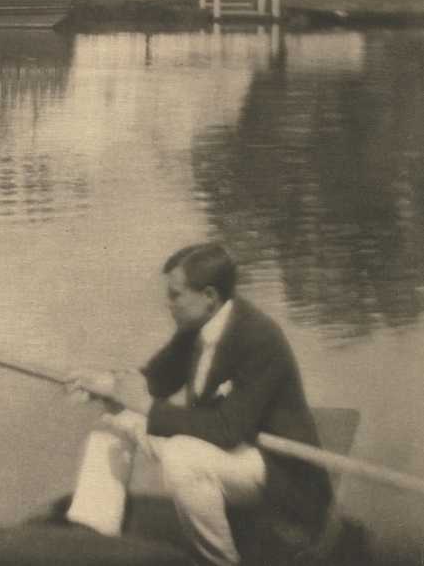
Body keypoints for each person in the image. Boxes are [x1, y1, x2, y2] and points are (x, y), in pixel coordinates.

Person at [65, 242, 331, 566]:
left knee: (181, 457)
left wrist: (147, 407)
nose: (167, 303)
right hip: (229, 451)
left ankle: (220, 560)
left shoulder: (260, 337)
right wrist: (105, 384)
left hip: (279, 472)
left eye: (175, 295)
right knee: (115, 420)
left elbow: (226, 429)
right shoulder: (197, 327)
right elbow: (155, 378)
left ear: (208, 296)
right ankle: (95, 538)